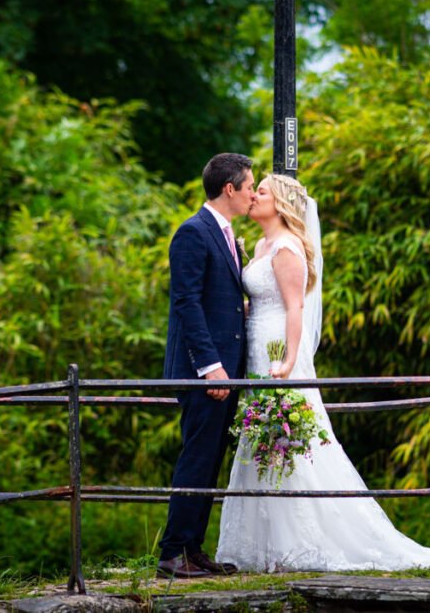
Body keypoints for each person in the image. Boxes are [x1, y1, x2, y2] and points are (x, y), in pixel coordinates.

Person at [216, 174, 430, 572]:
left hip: (280, 351)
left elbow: (295, 308)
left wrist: (290, 361)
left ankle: (300, 544)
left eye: (261, 191)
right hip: (259, 347)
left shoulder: (288, 247)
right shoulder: (261, 244)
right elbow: (262, 300)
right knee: (265, 437)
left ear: (280, 203)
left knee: (291, 440)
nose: (253, 196)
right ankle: (261, 548)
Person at [157, 153, 256, 579]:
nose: (253, 193)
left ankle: (193, 550)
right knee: (197, 457)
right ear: (230, 188)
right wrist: (211, 367)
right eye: (249, 186)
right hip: (206, 372)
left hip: (226, 370)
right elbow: (186, 302)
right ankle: (171, 553)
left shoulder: (227, 235)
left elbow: (218, 299)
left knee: (210, 458)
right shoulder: (192, 232)